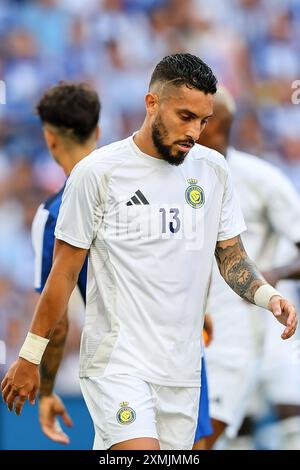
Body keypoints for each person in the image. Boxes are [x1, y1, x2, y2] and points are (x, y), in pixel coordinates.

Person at [1, 53, 297, 451]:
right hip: (118, 365)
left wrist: (267, 296)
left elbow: (230, 255)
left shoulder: (213, 171)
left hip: (184, 370)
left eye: (203, 121)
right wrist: (30, 356)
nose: (195, 131)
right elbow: (64, 273)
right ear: (151, 103)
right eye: (185, 116)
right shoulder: (99, 172)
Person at [193, 87, 300, 450]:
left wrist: (273, 275)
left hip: (261, 322)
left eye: (198, 119)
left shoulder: (261, 180)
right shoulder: (178, 177)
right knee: (231, 435)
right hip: (205, 326)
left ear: (217, 124)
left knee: (290, 419)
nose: (189, 127)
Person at [32, 81, 101, 444]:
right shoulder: (150, 188)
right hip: (185, 355)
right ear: (99, 131)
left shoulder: (54, 214)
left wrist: (45, 390)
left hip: (121, 369)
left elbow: (56, 321)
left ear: (50, 138)